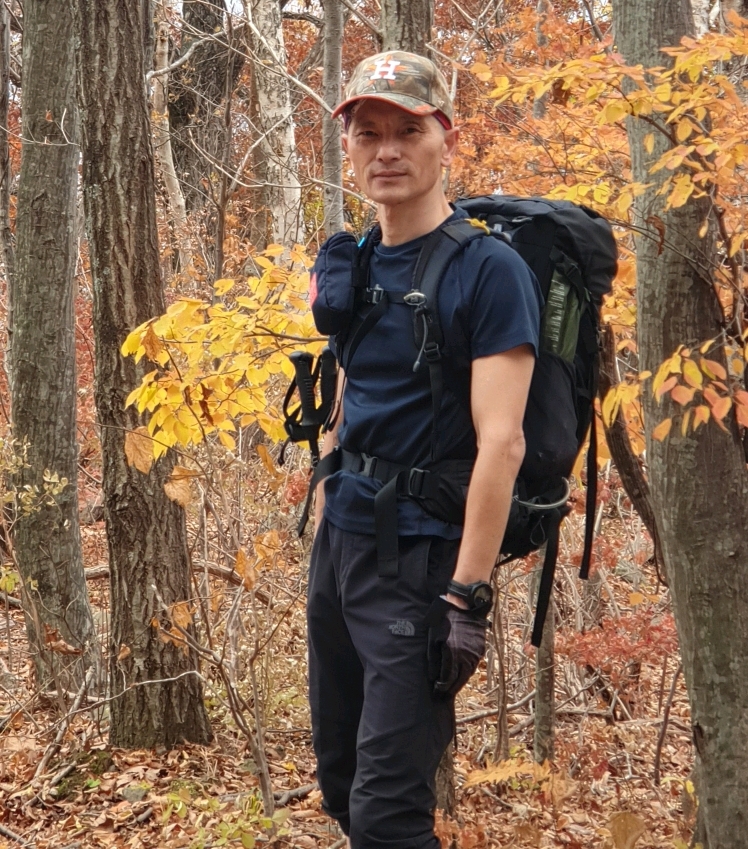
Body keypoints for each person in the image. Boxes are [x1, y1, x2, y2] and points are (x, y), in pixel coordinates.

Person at [306, 50, 542, 849]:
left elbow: (502, 442)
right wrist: (327, 511)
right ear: (348, 147)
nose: (387, 150)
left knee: (388, 812)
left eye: (408, 130)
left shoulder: (488, 270)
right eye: (368, 133)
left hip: (420, 562)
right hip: (342, 547)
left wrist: (466, 597)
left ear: (447, 138)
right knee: (342, 781)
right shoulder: (356, 261)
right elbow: (350, 393)